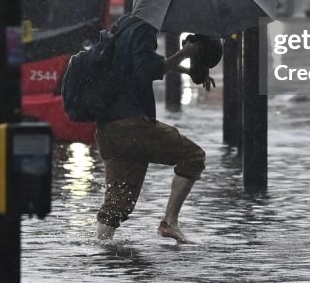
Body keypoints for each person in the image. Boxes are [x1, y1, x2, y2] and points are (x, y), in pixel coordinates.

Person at [94, 14, 222, 244]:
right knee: (193, 157)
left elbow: (136, 66)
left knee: (116, 206)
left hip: (109, 127)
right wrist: (186, 53)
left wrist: (187, 70)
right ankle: (169, 222)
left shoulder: (123, 26)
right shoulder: (144, 29)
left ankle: (99, 254)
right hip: (132, 124)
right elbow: (148, 69)